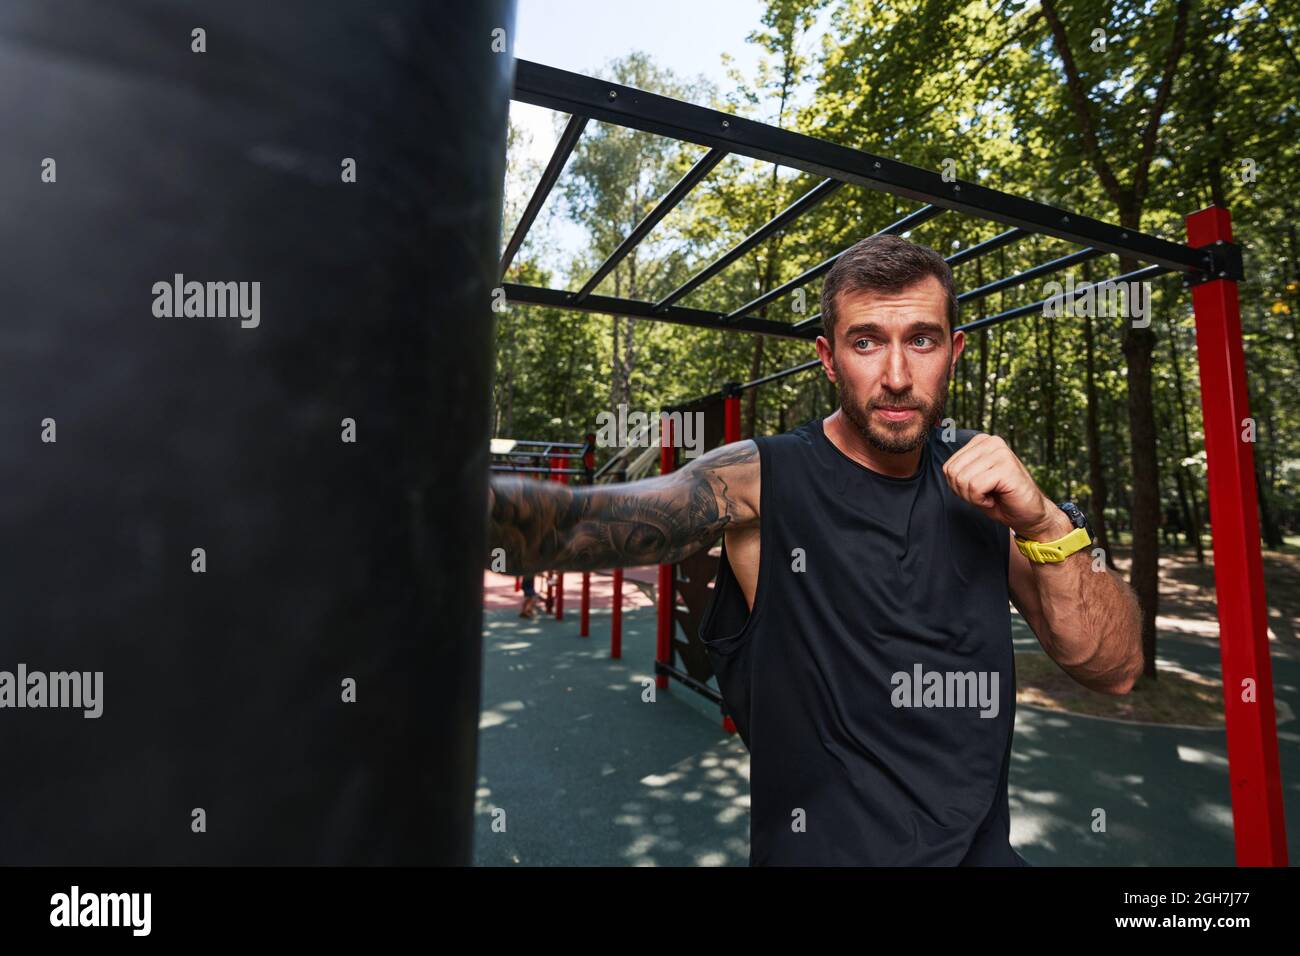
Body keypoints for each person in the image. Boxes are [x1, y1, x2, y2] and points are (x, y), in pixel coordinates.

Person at [487, 234, 1144, 866]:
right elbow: (575, 523)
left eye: (921, 340)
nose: (895, 374)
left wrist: (1047, 523)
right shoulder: (758, 479)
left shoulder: (986, 484)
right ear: (828, 359)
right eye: (866, 342)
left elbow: (1111, 668)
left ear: (955, 351)